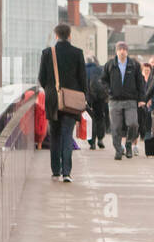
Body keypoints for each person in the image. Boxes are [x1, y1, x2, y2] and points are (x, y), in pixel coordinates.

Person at [36, 24, 87, 183]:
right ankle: (67, 172)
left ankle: (55, 170)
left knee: (55, 135)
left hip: (52, 101)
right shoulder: (77, 53)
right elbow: (83, 79)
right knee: (67, 135)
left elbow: (42, 79)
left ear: (56, 36)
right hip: (71, 101)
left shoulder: (47, 53)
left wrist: (52, 91)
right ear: (69, 35)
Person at [102, 41, 144, 159]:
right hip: (114, 101)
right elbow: (103, 80)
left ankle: (129, 143)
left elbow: (140, 82)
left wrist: (141, 98)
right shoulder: (110, 64)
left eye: (124, 49)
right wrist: (108, 91)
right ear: (116, 51)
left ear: (127, 51)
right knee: (115, 127)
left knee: (133, 124)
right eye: (120, 49)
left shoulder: (134, 65)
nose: (122, 51)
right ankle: (118, 150)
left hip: (130, 100)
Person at [85, 55, 106, 149]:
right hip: (100, 98)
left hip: (88, 98)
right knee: (100, 117)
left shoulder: (83, 70)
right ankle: (100, 138)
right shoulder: (100, 69)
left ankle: (91, 142)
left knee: (90, 119)